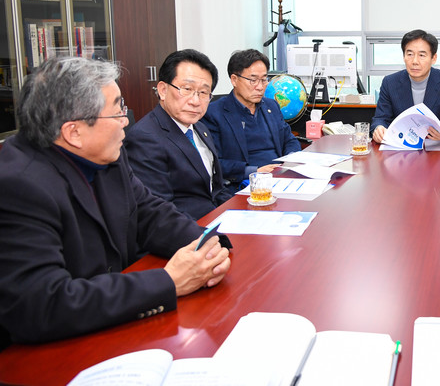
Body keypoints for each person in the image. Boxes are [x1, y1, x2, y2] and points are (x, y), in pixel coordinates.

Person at [0, 57, 231, 348]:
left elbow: (150, 213)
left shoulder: (107, 155)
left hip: (111, 324)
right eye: (117, 112)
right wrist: (169, 281)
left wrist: (210, 244)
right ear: (73, 132)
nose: (126, 121)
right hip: (49, 350)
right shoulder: (18, 185)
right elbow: (41, 304)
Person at [125, 49, 233, 220]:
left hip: (218, 219)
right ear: (163, 90)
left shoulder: (200, 128)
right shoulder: (145, 138)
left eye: (203, 92)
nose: (195, 101)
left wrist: (239, 213)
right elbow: (158, 212)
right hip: (189, 229)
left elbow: (217, 189)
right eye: (187, 89)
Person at [202, 49, 300, 191]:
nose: (260, 87)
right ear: (234, 80)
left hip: (280, 178)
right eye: (253, 80)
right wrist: (255, 171)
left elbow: (289, 140)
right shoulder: (213, 113)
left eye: (264, 79)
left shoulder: (271, 106)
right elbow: (214, 163)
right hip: (245, 184)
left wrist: (289, 160)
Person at [370, 29, 440, 143]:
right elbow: (380, 119)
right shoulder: (390, 82)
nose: (415, 61)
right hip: (400, 148)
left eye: (421, 55)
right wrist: (379, 129)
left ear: (433, 58)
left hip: (437, 148)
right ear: (404, 56)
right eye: (410, 54)